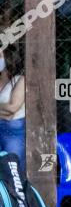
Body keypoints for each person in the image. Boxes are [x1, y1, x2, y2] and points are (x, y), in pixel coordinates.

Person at [0, 45, 26, 174]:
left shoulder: (20, 80)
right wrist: (6, 112)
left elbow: (12, 107)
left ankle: (15, 195)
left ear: (8, 59)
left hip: (13, 131)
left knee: (13, 169)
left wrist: (8, 111)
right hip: (6, 123)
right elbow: (8, 112)